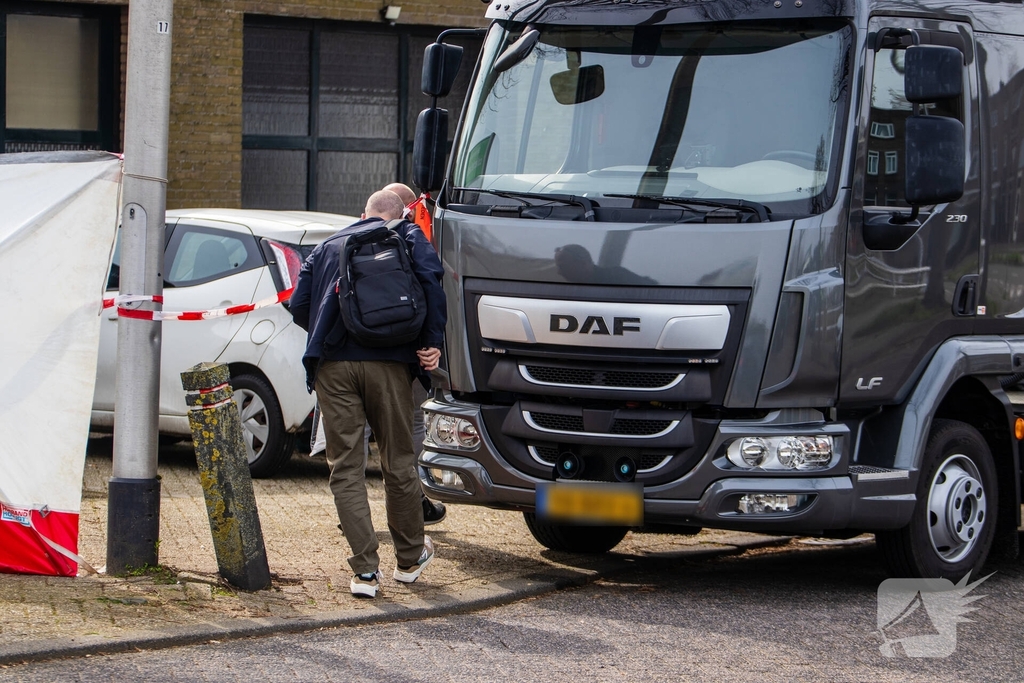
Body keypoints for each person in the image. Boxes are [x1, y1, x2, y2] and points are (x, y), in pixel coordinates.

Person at [290, 189, 447, 598]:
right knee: (397, 462)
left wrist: (333, 333)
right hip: (390, 365)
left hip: (333, 367)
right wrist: (429, 341)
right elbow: (432, 281)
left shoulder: (326, 246)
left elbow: (299, 304)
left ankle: (364, 573)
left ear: (363, 214)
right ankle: (410, 559)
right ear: (401, 215)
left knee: (345, 467)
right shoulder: (409, 237)